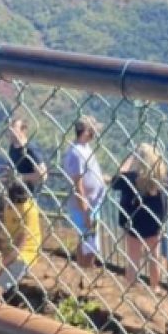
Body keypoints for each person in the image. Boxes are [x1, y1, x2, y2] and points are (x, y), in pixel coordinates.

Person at [110, 143, 168, 292]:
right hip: (154, 222)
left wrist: (128, 161)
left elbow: (114, 182)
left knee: (133, 255)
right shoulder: (161, 178)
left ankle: (131, 287)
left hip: (133, 222)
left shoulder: (130, 178)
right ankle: (155, 286)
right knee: (154, 255)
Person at [62, 115, 106, 269]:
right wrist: (86, 211)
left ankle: (84, 272)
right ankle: (83, 271)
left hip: (92, 204)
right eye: (93, 130)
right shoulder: (76, 153)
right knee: (89, 244)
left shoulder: (85, 149)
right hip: (85, 207)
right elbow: (78, 184)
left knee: (90, 243)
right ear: (87, 131)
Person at [0, 179, 42, 295]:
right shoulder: (7, 204)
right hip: (4, 249)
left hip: (23, 254)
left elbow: (18, 248)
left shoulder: (28, 211)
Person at [7, 117, 48, 194]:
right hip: (13, 194)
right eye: (9, 129)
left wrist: (20, 177)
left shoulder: (31, 149)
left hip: (27, 195)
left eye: (13, 129)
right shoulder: (12, 147)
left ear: (23, 130)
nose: (10, 132)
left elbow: (43, 175)